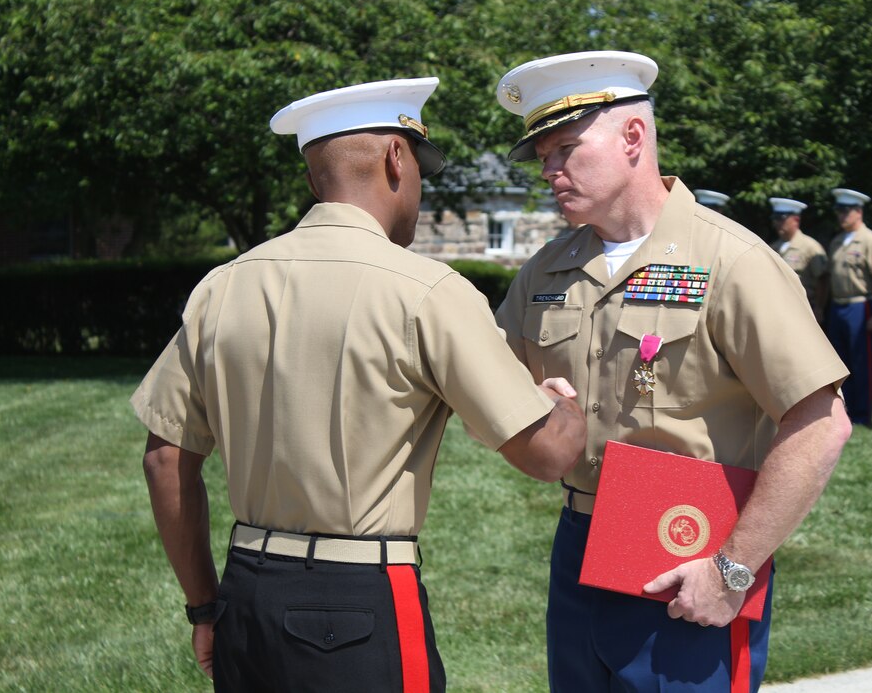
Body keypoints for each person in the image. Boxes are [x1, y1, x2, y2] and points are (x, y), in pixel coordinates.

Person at [132, 77, 587, 692]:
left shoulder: (222, 285)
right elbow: (546, 453)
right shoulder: (427, 290)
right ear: (397, 159)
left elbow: (165, 461)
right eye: (420, 166)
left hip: (246, 593)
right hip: (359, 603)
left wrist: (203, 607)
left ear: (312, 177)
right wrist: (565, 408)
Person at [492, 50, 851, 693]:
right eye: (542, 154)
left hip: (690, 551)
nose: (547, 169)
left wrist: (732, 571)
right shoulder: (545, 270)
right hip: (578, 538)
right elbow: (492, 385)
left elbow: (821, 425)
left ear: (633, 137)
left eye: (565, 148)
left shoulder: (731, 261)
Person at [826, 188, 872, 426]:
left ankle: (863, 415)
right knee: (839, 367)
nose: (841, 216)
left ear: (858, 212)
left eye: (846, 211)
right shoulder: (837, 241)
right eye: (838, 211)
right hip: (838, 306)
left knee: (862, 363)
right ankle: (844, 414)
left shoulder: (871, 240)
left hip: (860, 305)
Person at [769, 197, 829, 322]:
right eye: (775, 219)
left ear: (796, 219)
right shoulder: (773, 247)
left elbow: (822, 280)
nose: (777, 223)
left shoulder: (810, 247)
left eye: (782, 218)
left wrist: (819, 308)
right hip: (778, 307)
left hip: (804, 308)